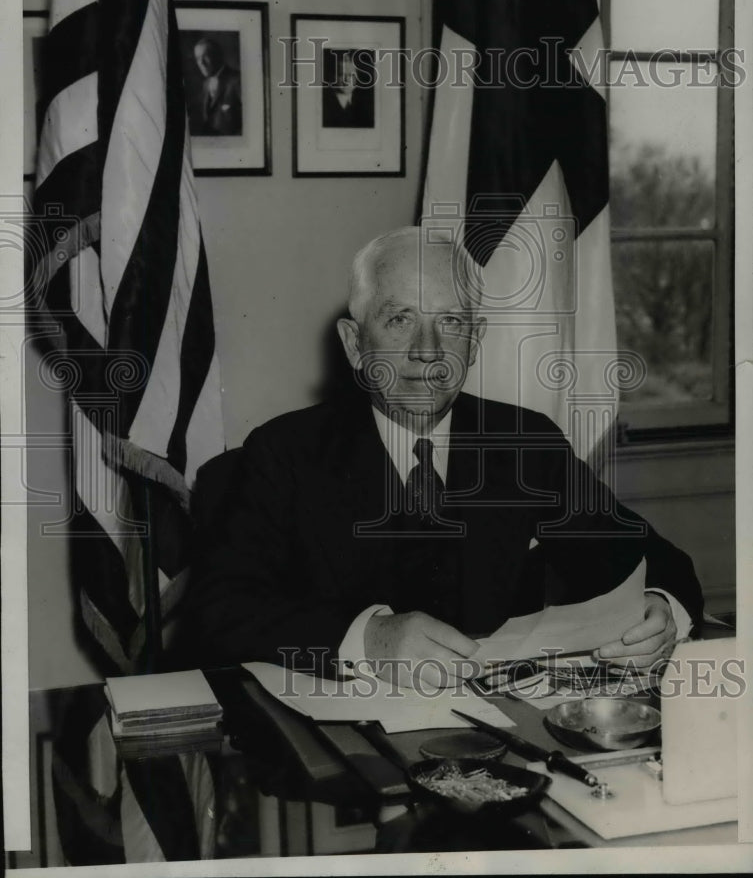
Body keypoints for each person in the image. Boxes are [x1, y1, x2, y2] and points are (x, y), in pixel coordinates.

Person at [183, 227, 703, 687]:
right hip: (343, 753)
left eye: (451, 321)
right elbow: (219, 609)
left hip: (494, 738)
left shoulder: (523, 442)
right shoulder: (284, 453)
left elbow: (649, 558)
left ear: (475, 342)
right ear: (354, 344)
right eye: (400, 319)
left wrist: (662, 612)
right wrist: (368, 638)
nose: (427, 350)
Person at [192, 36, 242, 135]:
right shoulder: (206, 84)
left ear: (217, 55)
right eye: (198, 58)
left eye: (205, 56)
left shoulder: (237, 80)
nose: (201, 63)